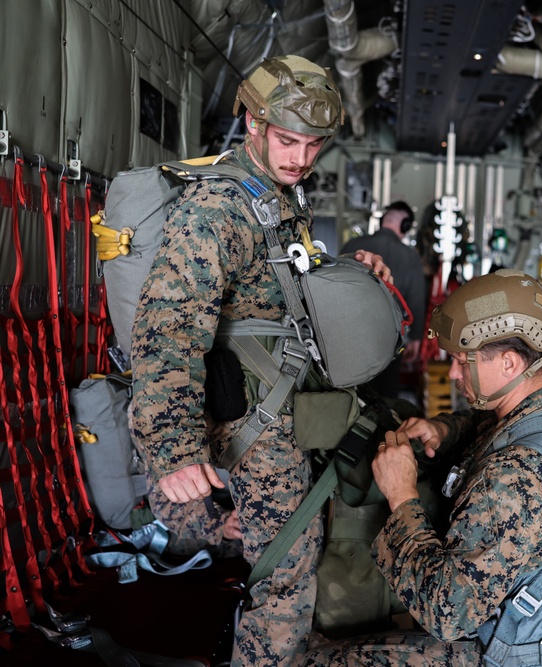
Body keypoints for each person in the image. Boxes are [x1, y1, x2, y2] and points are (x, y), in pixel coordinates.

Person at [130, 55, 394, 666]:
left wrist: (348, 273)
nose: (301, 157)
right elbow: (167, 326)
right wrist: (172, 450)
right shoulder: (218, 208)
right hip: (253, 419)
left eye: (314, 144)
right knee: (285, 576)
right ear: (252, 123)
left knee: (287, 564)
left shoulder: (275, 196)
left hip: (278, 412)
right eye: (288, 140)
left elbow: (273, 288)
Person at [304, 269, 542, 666]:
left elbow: (445, 614)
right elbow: (490, 425)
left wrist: (401, 496)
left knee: (314, 661)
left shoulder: (516, 477)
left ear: (510, 363)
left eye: (464, 361)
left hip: (501, 655)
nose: (454, 373)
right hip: (529, 635)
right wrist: (443, 429)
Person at [342, 201, 427, 398]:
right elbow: (416, 300)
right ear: (406, 226)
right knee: (385, 397)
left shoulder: (353, 246)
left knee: (349, 393)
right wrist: (416, 338)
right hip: (389, 340)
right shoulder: (410, 257)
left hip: (349, 335)